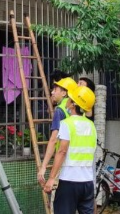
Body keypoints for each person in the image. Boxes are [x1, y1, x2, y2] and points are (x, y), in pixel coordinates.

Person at [43, 85, 97, 214]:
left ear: (73, 104)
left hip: (69, 181)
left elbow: (62, 151)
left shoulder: (67, 124)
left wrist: (51, 178)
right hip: (88, 181)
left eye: (70, 98)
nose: (67, 99)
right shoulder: (91, 125)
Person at [37, 76, 77, 185]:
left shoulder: (60, 110)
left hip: (64, 163)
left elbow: (53, 140)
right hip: (79, 165)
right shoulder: (78, 110)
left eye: (55, 90)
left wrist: (43, 166)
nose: (52, 92)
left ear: (64, 93)